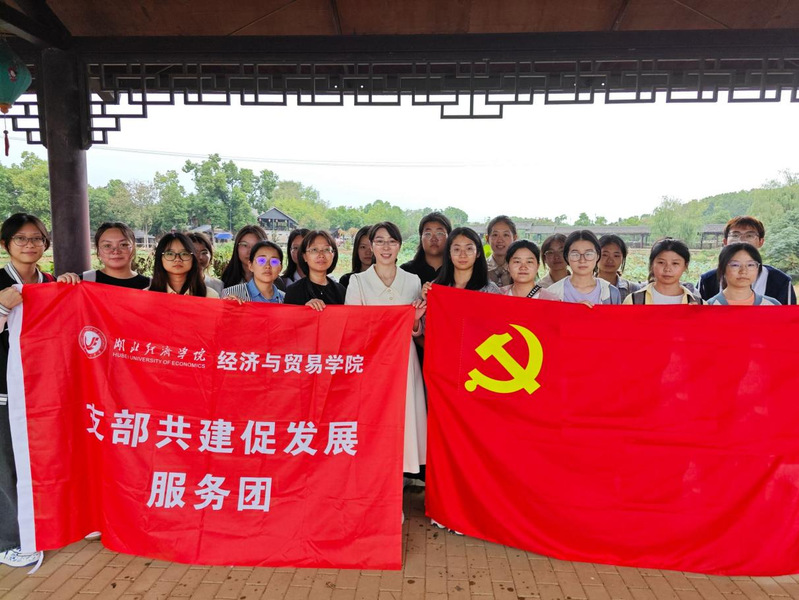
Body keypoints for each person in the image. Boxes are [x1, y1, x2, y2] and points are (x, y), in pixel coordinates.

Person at [0, 213, 63, 569]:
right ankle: (9, 541)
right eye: (21, 239)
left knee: (41, 459)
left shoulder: (51, 283)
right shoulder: (1, 284)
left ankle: (40, 526)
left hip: (42, 390)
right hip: (5, 388)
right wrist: (2, 306)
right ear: (5, 244)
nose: (29, 245)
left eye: (37, 238)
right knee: (6, 466)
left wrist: (68, 290)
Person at [344, 222, 427, 478]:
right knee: (374, 422)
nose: (386, 247)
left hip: (405, 362)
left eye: (392, 241)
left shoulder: (412, 280)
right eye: (379, 241)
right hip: (372, 365)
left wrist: (415, 321)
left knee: (403, 422)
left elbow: (418, 329)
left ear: (400, 245)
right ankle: (375, 485)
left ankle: (397, 486)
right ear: (371, 245)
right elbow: (353, 328)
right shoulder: (358, 281)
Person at [698, 216, 796, 305]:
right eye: (735, 235)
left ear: (761, 241)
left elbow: (789, 317)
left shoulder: (780, 281)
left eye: (749, 235)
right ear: (725, 241)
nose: (742, 240)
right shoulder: (707, 281)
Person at [58, 222, 151, 289]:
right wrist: (59, 286)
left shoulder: (152, 286)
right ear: (98, 251)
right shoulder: (80, 282)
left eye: (123, 245)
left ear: (133, 248)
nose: (115, 251)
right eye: (107, 246)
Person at [548, 230, 621, 305]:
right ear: (567, 257)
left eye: (588, 254)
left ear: (597, 256)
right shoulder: (552, 293)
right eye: (575, 254)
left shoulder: (611, 293)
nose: (582, 260)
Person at [424, 227, 502, 296]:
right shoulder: (435, 286)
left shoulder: (490, 290)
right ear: (449, 253)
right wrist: (426, 300)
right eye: (457, 249)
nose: (463, 255)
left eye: (469, 249)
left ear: (478, 253)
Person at [624, 238, 703, 304]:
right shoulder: (633, 301)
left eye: (675, 263)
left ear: (685, 266)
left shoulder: (699, 304)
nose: (667, 269)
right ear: (652, 264)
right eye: (661, 262)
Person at [284, 230, 345, 310]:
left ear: (333, 254)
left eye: (326, 249)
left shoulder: (341, 290)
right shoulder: (293, 291)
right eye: (314, 250)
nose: (321, 255)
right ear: (304, 256)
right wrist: (304, 310)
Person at [706, 243, 780, 305]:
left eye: (750, 265)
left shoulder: (773, 305)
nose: (743, 271)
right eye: (735, 265)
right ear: (722, 269)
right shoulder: (709, 306)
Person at [148, 233, 219, 298]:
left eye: (184, 254)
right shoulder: (146, 296)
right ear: (160, 258)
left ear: (193, 258)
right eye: (170, 254)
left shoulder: (210, 296)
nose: (177, 259)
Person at [400, 212, 452, 284]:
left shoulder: (457, 271)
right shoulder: (406, 271)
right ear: (421, 238)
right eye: (428, 234)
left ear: (449, 237)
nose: (434, 239)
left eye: (439, 233)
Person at [220, 225, 268, 289]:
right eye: (245, 245)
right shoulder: (227, 279)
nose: (250, 251)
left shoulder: (274, 281)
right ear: (236, 247)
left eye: (256, 246)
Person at [598, 234, 641, 302]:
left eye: (616, 255)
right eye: (605, 255)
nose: (610, 260)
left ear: (623, 258)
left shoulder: (633, 289)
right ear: (595, 255)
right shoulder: (583, 287)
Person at [485, 215, 518, 287]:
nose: (500, 240)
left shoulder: (521, 269)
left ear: (515, 238)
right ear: (487, 238)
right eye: (495, 235)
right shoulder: (479, 268)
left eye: (505, 235)